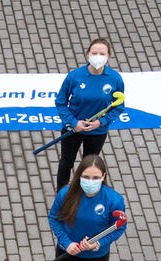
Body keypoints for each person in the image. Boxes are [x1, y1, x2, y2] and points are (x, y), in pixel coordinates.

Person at [53, 37, 125, 190]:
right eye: (94, 53)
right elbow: (60, 103)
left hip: (97, 132)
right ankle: (61, 196)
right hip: (73, 130)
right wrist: (74, 123)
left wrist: (100, 122)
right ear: (87, 54)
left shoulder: (115, 79)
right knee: (66, 163)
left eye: (102, 54)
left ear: (108, 56)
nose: (98, 57)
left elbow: (118, 107)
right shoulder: (74, 76)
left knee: (90, 165)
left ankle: (82, 193)